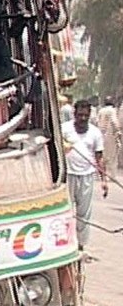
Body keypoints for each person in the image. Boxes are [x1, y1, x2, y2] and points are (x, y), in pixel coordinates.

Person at [62, 99, 106, 252]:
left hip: (86, 176)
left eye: (85, 116)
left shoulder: (95, 133)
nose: (82, 118)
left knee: (84, 214)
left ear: (89, 115)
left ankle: (80, 246)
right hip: (68, 175)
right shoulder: (64, 129)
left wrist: (104, 180)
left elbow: (99, 156)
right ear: (74, 114)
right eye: (80, 115)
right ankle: (64, 245)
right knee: (65, 211)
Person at [97, 96, 122, 175]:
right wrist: (118, 131)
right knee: (113, 156)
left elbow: (97, 121)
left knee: (103, 154)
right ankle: (113, 175)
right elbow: (114, 122)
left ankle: (102, 173)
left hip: (101, 135)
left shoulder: (101, 111)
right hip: (110, 135)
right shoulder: (112, 111)